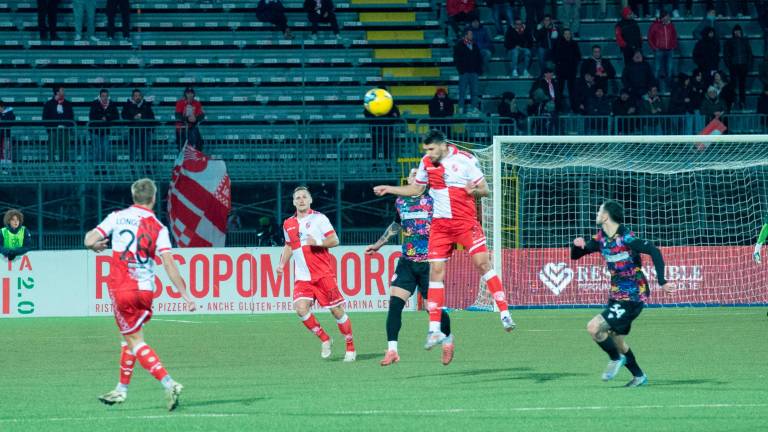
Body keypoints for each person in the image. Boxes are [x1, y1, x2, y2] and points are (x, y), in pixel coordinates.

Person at [373, 130, 516, 353]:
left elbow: (485, 189)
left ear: (442, 146)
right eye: (426, 150)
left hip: (464, 223)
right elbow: (417, 188)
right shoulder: (426, 163)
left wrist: (473, 191)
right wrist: (390, 189)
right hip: (440, 227)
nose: (428, 154)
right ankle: (434, 330)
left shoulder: (466, 160)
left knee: (482, 263)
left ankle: (504, 312)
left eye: (431, 149)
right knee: (436, 272)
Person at [84, 178, 197, 410]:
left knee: (134, 341)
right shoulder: (159, 227)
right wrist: (185, 294)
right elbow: (169, 265)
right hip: (145, 290)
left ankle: (169, 383)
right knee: (131, 338)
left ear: (133, 196)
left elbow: (89, 239)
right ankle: (121, 390)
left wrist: (95, 246)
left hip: (122, 287)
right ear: (154, 198)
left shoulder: (117, 217)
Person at [571, 200, 674, 387]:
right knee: (617, 340)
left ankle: (616, 359)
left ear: (606, 216)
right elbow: (576, 255)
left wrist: (662, 281)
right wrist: (576, 246)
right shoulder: (600, 239)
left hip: (633, 295)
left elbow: (654, 250)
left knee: (594, 327)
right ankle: (639, 376)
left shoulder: (626, 237)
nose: (596, 213)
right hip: (616, 295)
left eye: (599, 210)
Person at [366, 169, 454, 366]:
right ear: (408, 180)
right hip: (406, 262)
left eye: (420, 174)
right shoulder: (400, 201)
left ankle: (448, 341)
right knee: (395, 304)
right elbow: (397, 225)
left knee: (432, 308)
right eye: (413, 174)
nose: (416, 177)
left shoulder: (434, 199)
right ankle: (392, 350)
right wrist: (379, 244)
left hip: (430, 263)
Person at [277, 186, 357, 362]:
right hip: (302, 277)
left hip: (322, 275)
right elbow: (289, 245)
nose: (301, 200)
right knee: (300, 308)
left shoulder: (319, 219)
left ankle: (350, 347)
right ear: (293, 202)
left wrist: (318, 242)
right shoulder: (288, 223)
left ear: (310, 200)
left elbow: (335, 240)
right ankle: (325, 338)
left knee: (336, 311)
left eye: (304, 197)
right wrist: (282, 264)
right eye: (297, 198)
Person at [723, 24, 752, 110]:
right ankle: (732, 101)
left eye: (738, 31)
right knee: (732, 85)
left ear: (741, 32)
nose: (737, 32)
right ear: (733, 32)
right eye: (736, 31)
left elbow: (749, 53)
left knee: (742, 85)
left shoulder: (745, 41)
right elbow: (726, 54)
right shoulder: (729, 41)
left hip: (743, 65)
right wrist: (729, 65)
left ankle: (742, 102)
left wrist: (748, 65)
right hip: (734, 66)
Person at [42, 86, 74, 162]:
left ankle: (64, 169)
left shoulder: (68, 104)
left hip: (65, 131)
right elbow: (45, 118)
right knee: (51, 150)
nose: (64, 92)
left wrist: (67, 127)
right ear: (57, 92)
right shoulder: (48, 104)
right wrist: (50, 129)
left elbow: (71, 117)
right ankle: (51, 169)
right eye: (62, 91)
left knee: (64, 151)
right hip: (53, 130)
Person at [453, 29, 483, 114]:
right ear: (465, 35)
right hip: (464, 72)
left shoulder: (475, 45)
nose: (472, 36)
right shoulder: (459, 45)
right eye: (470, 34)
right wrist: (461, 70)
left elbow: (479, 58)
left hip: (474, 72)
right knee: (462, 91)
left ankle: (474, 108)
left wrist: (478, 70)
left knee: (475, 91)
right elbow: (456, 59)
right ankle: (461, 108)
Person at [647, 10, 678, 90]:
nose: (668, 18)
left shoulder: (671, 25)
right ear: (663, 17)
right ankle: (655, 87)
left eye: (668, 16)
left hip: (669, 50)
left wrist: (673, 45)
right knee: (657, 69)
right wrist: (654, 47)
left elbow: (674, 36)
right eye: (667, 16)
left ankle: (669, 86)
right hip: (659, 50)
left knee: (670, 68)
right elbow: (650, 37)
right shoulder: (655, 25)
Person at [122, 88, 156, 161]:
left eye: (139, 95)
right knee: (133, 153)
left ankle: (147, 170)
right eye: (136, 95)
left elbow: (152, 117)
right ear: (132, 97)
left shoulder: (146, 105)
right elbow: (124, 116)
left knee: (145, 153)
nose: (138, 97)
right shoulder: (127, 105)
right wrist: (133, 117)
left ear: (141, 96)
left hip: (145, 132)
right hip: (133, 132)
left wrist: (151, 130)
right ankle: (133, 170)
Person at [88, 88, 119, 162]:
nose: (104, 97)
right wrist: (100, 118)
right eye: (103, 96)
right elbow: (91, 116)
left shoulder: (111, 104)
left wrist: (107, 117)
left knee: (106, 149)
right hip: (95, 131)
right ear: (100, 96)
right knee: (96, 150)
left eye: (106, 96)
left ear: (108, 96)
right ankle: (97, 168)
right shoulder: (94, 103)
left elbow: (116, 116)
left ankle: (104, 167)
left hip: (106, 131)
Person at [553, 28, 581, 110]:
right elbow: (554, 56)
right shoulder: (558, 44)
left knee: (572, 90)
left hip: (571, 71)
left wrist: (574, 62)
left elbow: (579, 56)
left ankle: (574, 108)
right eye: (566, 34)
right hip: (561, 70)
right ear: (563, 35)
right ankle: (558, 108)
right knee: (559, 90)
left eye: (569, 34)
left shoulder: (574, 44)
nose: (568, 35)